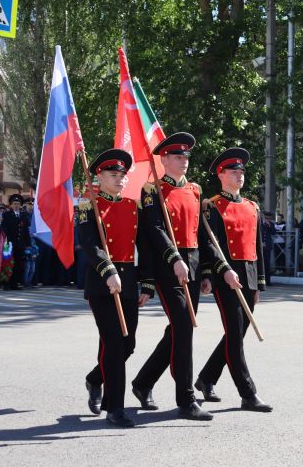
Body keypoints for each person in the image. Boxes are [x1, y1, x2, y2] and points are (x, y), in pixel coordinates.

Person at [132, 133, 222, 421]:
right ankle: (186, 399)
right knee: (184, 328)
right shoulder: (152, 190)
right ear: (165, 160)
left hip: (192, 264)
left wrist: (206, 270)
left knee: (179, 331)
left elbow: (200, 234)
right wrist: (174, 260)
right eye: (177, 157)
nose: (184, 161)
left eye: (186, 157)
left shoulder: (194, 190)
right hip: (168, 266)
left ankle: (143, 382)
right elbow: (154, 231)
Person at [79, 150, 154, 428]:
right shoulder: (89, 206)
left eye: (123, 175)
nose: (120, 179)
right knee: (112, 344)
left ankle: (95, 379)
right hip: (102, 282)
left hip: (128, 280)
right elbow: (90, 244)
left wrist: (147, 282)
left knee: (128, 344)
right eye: (114, 175)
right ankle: (115, 407)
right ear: (98, 176)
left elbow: (144, 246)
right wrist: (108, 270)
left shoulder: (133, 206)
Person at [197, 146, 273, 413]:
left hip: (248, 277)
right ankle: (247, 393)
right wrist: (217, 271)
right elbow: (208, 244)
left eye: (241, 170)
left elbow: (257, 246)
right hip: (225, 276)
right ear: (221, 174)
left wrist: (260, 282)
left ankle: (206, 377)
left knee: (235, 334)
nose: (239, 174)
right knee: (235, 336)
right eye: (233, 170)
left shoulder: (252, 206)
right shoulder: (212, 206)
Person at [1, 194, 30, 290]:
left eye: (18, 204)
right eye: (14, 204)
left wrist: (27, 243)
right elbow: (4, 229)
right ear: (11, 205)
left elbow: (25, 230)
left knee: (18, 264)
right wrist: (6, 242)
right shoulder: (7, 215)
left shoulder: (23, 215)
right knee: (8, 264)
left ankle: (15, 283)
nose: (16, 205)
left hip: (20, 244)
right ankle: (7, 283)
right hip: (9, 244)